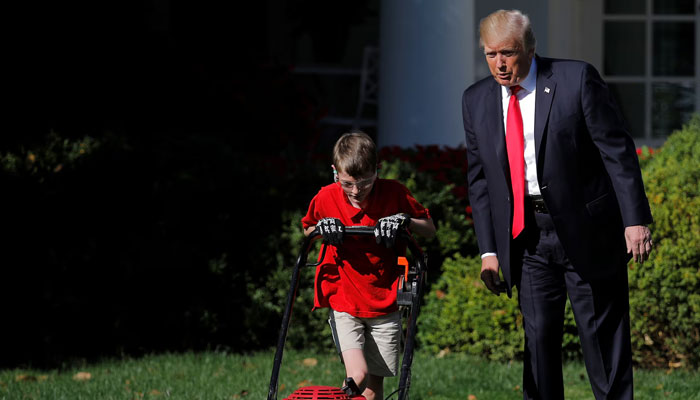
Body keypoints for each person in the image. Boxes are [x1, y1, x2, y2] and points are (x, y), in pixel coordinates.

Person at [462, 9, 653, 400]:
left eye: (508, 53)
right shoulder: (475, 100)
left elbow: (617, 151)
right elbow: (480, 181)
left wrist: (635, 220)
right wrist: (489, 250)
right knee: (539, 345)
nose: (499, 63)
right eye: (491, 54)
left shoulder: (575, 79)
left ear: (530, 48)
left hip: (588, 231)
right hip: (527, 238)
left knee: (603, 345)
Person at [301, 131, 436, 400]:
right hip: (344, 298)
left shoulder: (394, 193)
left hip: (385, 300)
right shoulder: (326, 197)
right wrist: (321, 228)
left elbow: (430, 230)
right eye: (347, 183)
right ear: (334, 172)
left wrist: (405, 220)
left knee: (374, 388)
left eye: (364, 183)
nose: (355, 191)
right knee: (358, 376)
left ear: (377, 170)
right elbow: (307, 229)